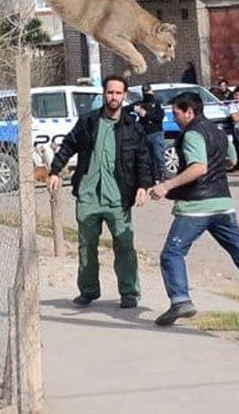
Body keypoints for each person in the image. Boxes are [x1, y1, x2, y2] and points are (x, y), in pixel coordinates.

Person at [148, 92, 239, 326]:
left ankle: (180, 300)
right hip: (223, 205)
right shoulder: (217, 132)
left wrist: (167, 186)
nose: (174, 119)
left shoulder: (192, 133)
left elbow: (198, 167)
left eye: (176, 114)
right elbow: (231, 160)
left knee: (172, 254)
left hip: (196, 207)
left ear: (189, 112)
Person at [48, 75, 154, 309]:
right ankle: (88, 290)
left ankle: (129, 292)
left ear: (125, 96)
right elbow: (68, 144)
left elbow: (143, 160)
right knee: (86, 245)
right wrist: (55, 170)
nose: (113, 97)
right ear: (103, 94)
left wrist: (143, 186)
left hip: (118, 197)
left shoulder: (132, 127)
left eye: (118, 93)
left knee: (124, 244)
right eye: (109, 92)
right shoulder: (88, 122)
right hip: (89, 195)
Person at [132, 83, 167, 181]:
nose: (146, 94)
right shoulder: (141, 103)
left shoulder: (157, 103)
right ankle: (152, 175)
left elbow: (159, 117)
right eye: (144, 91)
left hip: (156, 133)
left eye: (147, 91)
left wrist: (146, 114)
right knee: (147, 157)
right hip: (144, 133)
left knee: (158, 155)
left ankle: (161, 174)